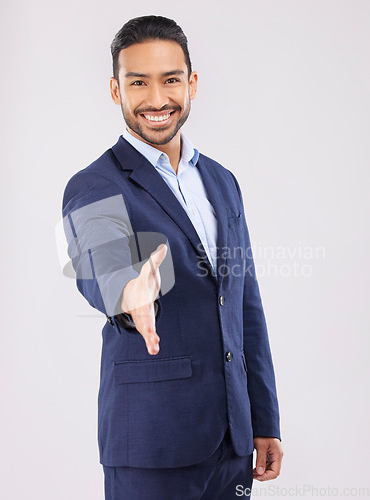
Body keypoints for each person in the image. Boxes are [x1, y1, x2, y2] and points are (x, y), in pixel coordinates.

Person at [62, 14, 283, 500]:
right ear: (116, 90)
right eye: (138, 81)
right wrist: (129, 291)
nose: (157, 99)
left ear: (193, 84)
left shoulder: (222, 181)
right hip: (153, 442)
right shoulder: (95, 184)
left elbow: (245, 305)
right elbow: (103, 258)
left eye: (171, 79)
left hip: (232, 442)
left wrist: (263, 418)